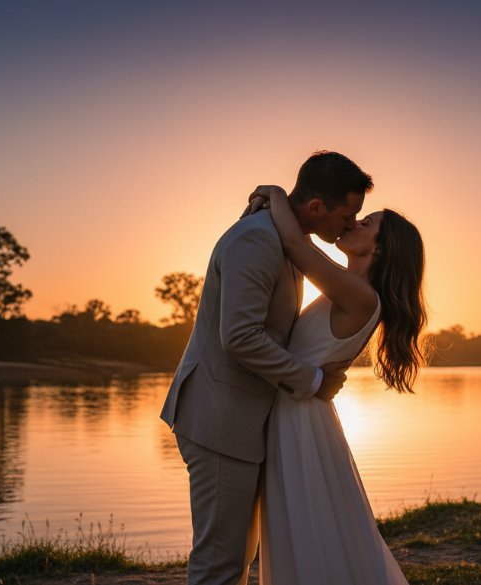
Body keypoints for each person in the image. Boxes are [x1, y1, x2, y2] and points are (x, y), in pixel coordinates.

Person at [159, 151, 374, 585]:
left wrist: (273, 193)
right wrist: (313, 380)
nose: (350, 224)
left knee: (237, 556)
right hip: (220, 418)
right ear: (316, 208)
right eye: (348, 214)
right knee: (220, 562)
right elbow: (239, 336)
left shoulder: (286, 237)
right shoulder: (258, 239)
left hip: (243, 420)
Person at [244, 184, 427, 585]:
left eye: (366, 223)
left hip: (301, 421)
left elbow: (295, 244)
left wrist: (276, 193)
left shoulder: (360, 295)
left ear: (377, 249)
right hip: (300, 412)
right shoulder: (350, 287)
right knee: (309, 527)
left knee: (307, 528)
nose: (353, 224)